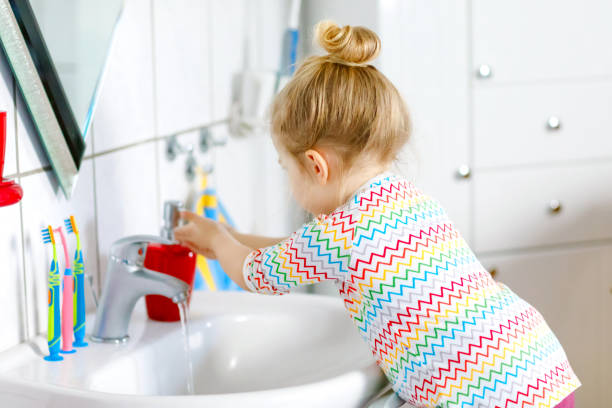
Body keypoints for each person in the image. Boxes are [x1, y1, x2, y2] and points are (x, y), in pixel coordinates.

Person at [174, 20, 580, 408]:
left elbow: (255, 275)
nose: (288, 185)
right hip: (539, 368)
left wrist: (218, 242)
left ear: (317, 166)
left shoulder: (340, 233)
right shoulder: (407, 201)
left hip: (482, 394)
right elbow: (298, 253)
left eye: (286, 168)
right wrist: (233, 237)